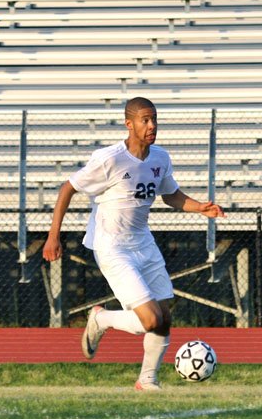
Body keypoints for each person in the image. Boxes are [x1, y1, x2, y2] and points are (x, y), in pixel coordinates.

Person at [42, 97, 225, 390]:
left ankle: (147, 380)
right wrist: (54, 237)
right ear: (129, 124)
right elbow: (68, 188)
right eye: (144, 120)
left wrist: (200, 207)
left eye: (154, 119)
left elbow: (171, 195)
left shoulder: (160, 158)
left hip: (143, 243)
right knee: (150, 319)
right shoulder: (109, 158)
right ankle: (102, 319)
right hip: (112, 246)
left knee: (164, 317)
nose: (151, 125)